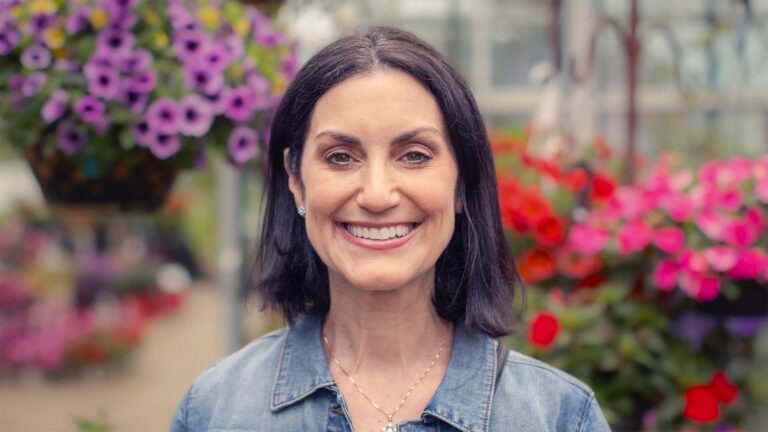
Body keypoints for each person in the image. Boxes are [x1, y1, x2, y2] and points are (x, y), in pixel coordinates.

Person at [171, 26, 611, 432]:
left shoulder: (559, 417)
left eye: (415, 155)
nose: (377, 195)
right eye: (340, 156)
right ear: (295, 181)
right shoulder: (215, 410)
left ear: (462, 183)